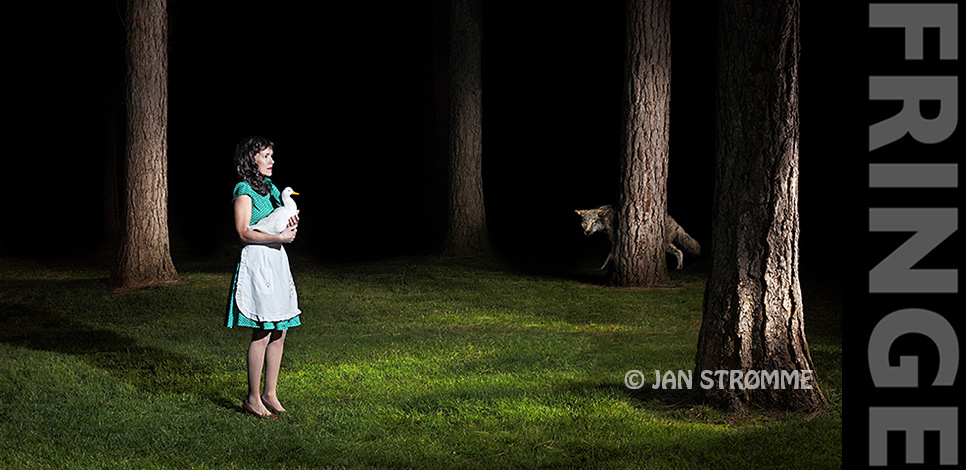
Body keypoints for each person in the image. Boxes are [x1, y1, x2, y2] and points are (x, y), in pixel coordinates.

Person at [225, 136, 301, 419]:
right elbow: (244, 232)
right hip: (257, 261)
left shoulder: (271, 188)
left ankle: (270, 392)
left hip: (277, 259)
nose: (272, 161)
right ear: (251, 158)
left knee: (281, 329)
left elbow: (278, 217)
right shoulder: (243, 189)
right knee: (263, 329)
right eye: (266, 155)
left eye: (272, 155)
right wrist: (277, 236)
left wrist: (289, 224)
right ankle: (253, 397)